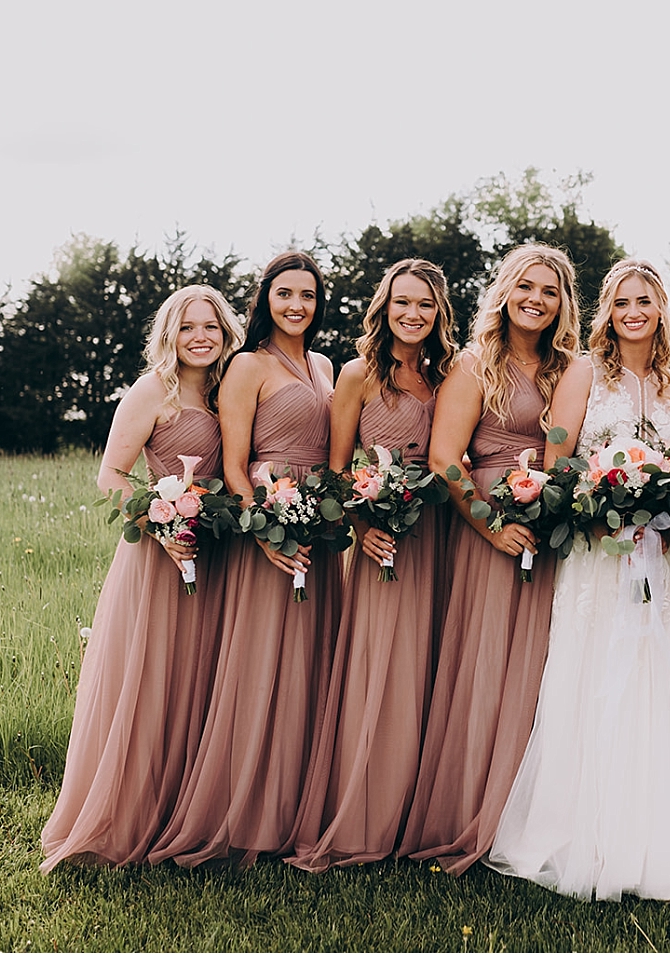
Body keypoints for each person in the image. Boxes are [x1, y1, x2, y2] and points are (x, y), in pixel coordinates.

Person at [487, 260, 670, 900]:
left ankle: (666, 833)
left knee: (662, 680)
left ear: (662, 310)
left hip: (665, 555)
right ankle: (580, 832)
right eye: (622, 302)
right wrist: (595, 505)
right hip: (596, 555)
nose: (634, 311)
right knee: (591, 678)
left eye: (646, 301)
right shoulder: (584, 373)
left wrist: (665, 498)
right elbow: (558, 460)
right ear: (607, 312)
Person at [150, 250, 343, 869]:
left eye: (308, 296)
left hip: (320, 529)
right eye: (285, 294)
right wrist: (265, 532)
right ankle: (241, 813)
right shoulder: (246, 366)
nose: (297, 305)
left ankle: (297, 811)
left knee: (311, 669)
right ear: (266, 299)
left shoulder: (322, 364)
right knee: (261, 670)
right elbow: (234, 463)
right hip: (267, 536)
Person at [40, 285, 244, 872]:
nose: (200, 336)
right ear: (170, 335)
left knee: (200, 682)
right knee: (152, 680)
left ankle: (192, 813)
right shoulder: (154, 389)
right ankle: (129, 815)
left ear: (225, 329)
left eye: (210, 325)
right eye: (187, 327)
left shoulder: (229, 387)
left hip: (219, 555)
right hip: (158, 556)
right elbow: (111, 473)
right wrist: (160, 515)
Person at [399, 243, 580, 876]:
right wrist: (492, 525)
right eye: (526, 287)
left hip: (548, 528)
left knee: (539, 671)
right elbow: (446, 456)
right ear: (504, 291)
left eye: (550, 291)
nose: (536, 299)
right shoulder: (477, 363)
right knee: (485, 668)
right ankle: (470, 809)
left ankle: (527, 813)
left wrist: (550, 503)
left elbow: (561, 446)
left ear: (564, 304)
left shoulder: (566, 369)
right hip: (490, 531)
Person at [287, 258, 459, 872]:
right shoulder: (357, 376)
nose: (412, 315)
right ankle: (366, 812)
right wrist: (362, 524)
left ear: (439, 313)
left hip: (442, 532)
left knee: (436, 669)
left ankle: (425, 811)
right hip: (384, 536)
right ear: (383, 308)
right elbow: (334, 469)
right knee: (383, 667)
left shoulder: (451, 376)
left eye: (425, 304)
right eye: (401, 303)